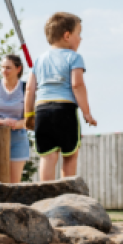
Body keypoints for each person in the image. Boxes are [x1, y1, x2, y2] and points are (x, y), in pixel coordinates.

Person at [25, 12, 96, 181]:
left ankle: (47, 195)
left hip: (42, 110)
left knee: (47, 156)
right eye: (78, 34)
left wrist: (28, 115)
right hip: (65, 109)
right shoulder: (74, 57)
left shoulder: (39, 60)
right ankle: (66, 196)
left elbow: (29, 89)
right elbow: (77, 85)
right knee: (70, 155)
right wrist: (87, 113)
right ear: (67, 36)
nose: (80, 39)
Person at [0, 54, 30, 183]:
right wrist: (1, 122)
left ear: (18, 69)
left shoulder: (26, 88)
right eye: (2, 67)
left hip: (18, 139)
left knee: (14, 183)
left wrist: (17, 124)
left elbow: (31, 119)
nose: (4, 71)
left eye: (8, 67)